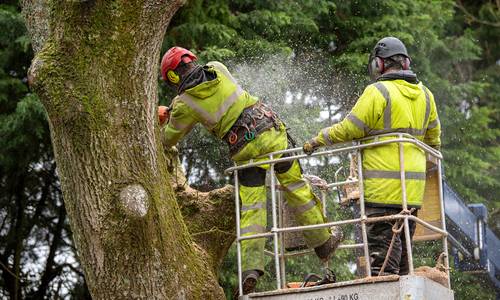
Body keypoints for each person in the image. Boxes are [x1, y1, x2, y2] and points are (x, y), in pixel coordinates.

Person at [158, 47, 343, 295]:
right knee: (296, 187)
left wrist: (164, 116)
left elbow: (167, 139)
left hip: (244, 149)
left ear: (172, 77)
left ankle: (251, 269)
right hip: (271, 133)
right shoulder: (218, 68)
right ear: (192, 60)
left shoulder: (184, 104)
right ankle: (322, 243)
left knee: (252, 209)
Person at [303, 37, 441, 276]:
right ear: (406, 63)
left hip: (381, 193)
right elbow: (434, 142)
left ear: (379, 65)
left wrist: (318, 139)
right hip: (412, 195)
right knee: (402, 261)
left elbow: (350, 129)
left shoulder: (377, 92)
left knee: (383, 268)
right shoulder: (426, 95)